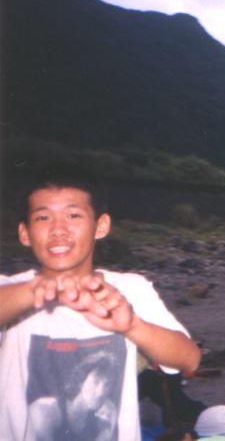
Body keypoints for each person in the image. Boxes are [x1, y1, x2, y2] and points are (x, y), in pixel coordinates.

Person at [0, 165, 201, 440]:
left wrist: (133, 326)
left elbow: (189, 359)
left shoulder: (130, 289)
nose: (58, 230)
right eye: (43, 217)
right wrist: (35, 289)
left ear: (101, 226)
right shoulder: (10, 289)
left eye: (73, 215)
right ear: (25, 233)